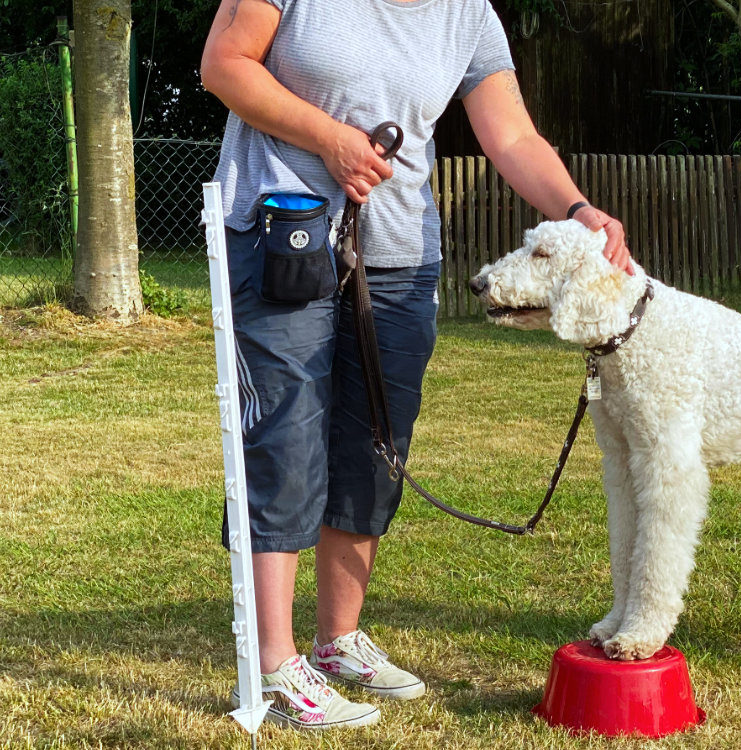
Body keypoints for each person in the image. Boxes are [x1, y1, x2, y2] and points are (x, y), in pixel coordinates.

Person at [200, 0, 633, 730]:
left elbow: (512, 135)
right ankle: (273, 665)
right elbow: (223, 66)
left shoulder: (469, 15)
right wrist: (330, 139)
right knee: (285, 438)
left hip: (399, 255)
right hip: (284, 237)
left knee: (377, 444)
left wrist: (576, 207)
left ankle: (336, 642)